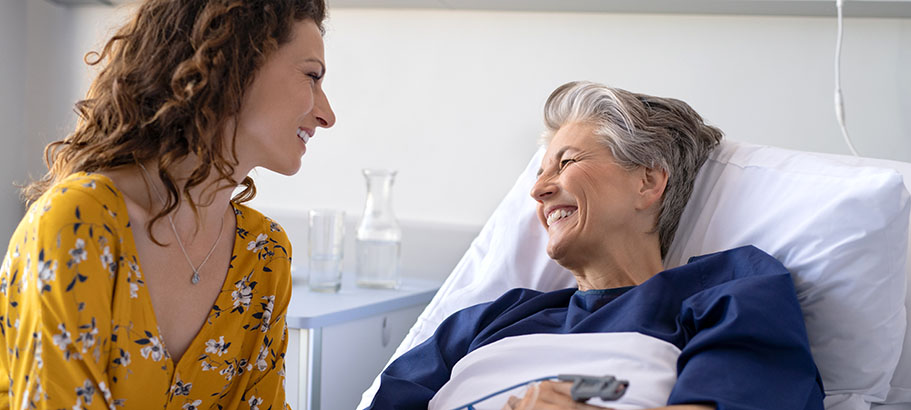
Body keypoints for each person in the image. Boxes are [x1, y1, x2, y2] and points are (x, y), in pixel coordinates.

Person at [365, 81, 824, 410]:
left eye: (565, 163)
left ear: (648, 181)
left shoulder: (729, 289)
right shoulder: (486, 322)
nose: (538, 191)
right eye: (540, 173)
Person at [0, 0, 334, 408]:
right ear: (235, 62)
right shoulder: (78, 224)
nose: (326, 114)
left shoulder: (263, 255)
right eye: (311, 77)